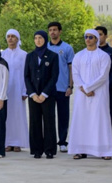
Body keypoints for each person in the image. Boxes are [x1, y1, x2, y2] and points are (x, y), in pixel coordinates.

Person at [68, 29, 112, 160]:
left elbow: (103, 76)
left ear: (96, 39)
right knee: (82, 120)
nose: (88, 39)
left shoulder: (104, 56)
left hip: (98, 94)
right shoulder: (78, 55)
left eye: (91, 37)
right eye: (86, 37)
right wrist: (84, 89)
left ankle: (104, 151)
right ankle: (80, 150)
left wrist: (89, 88)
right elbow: (75, 74)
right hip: (82, 95)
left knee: (99, 120)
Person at [24, 30, 59, 159]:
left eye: (40, 38)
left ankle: (50, 150)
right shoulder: (30, 56)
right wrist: (32, 93)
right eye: (36, 38)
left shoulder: (53, 56)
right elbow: (26, 76)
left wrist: (44, 93)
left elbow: (54, 76)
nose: (38, 40)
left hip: (48, 95)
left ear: (45, 39)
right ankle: (36, 150)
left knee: (49, 122)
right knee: (34, 122)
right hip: (33, 95)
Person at [46, 21, 74, 153]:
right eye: (50, 30)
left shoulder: (67, 48)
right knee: (49, 117)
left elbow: (70, 68)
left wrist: (70, 86)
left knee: (63, 116)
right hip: (48, 89)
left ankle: (62, 141)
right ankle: (49, 141)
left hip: (63, 88)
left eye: (55, 30)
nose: (52, 32)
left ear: (60, 31)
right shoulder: (45, 47)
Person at [2, 29, 29, 152]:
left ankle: (18, 142)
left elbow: (26, 74)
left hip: (18, 90)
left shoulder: (24, 55)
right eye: (8, 36)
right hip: (6, 90)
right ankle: (7, 142)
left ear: (18, 39)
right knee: (6, 116)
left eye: (13, 36)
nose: (10, 38)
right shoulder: (2, 54)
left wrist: (25, 91)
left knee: (18, 115)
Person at [96, 25, 112, 151]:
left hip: (107, 91)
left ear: (105, 36)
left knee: (110, 116)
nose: (98, 37)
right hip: (93, 92)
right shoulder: (90, 52)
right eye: (96, 34)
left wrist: (105, 86)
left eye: (100, 34)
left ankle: (111, 145)